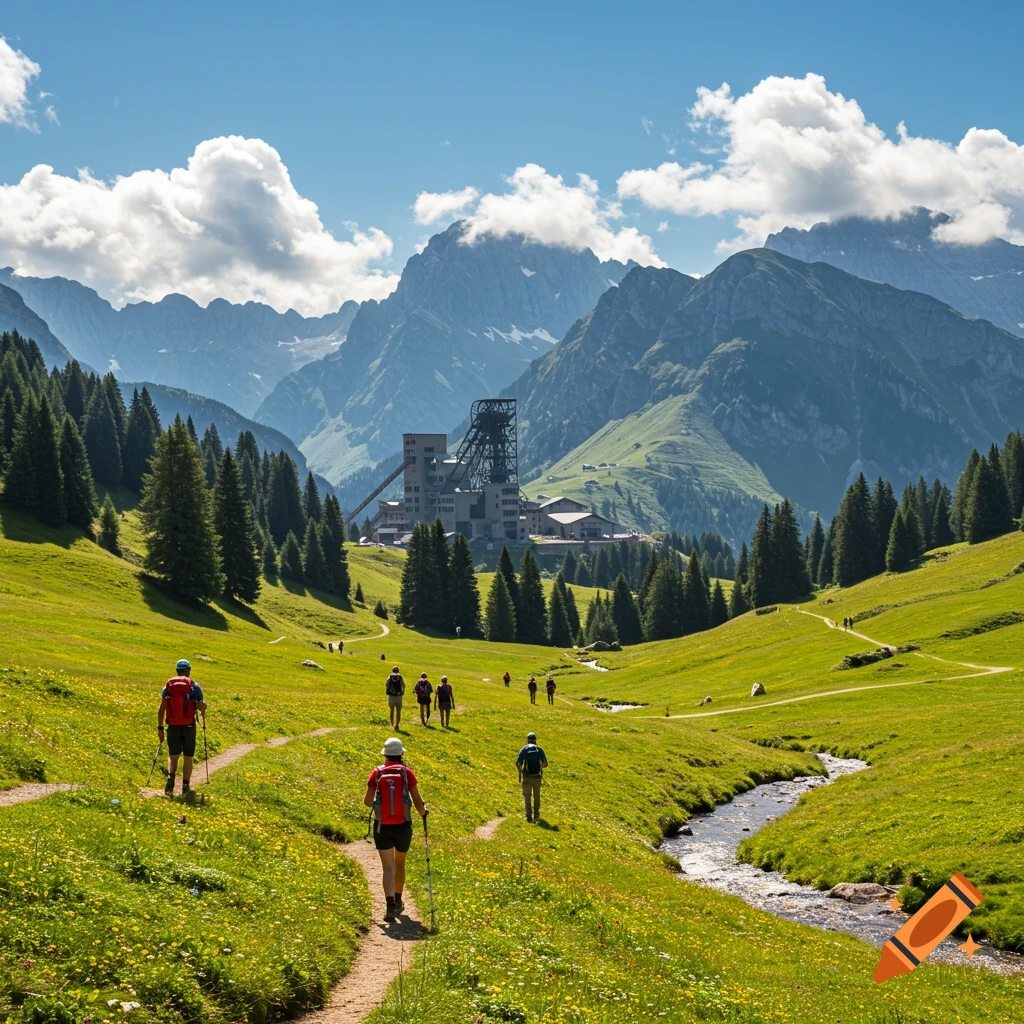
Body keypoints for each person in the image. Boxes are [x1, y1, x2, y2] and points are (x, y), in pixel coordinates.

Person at [365, 737, 427, 921]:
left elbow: (368, 802)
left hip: (382, 827)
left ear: (385, 755)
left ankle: (390, 906)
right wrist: (424, 813)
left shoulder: (376, 773)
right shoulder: (407, 773)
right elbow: (417, 801)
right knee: (400, 864)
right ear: (401, 754)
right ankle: (399, 900)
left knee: (388, 868)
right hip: (403, 826)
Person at [157, 660, 207, 796]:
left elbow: (162, 708)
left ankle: (170, 778)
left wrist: (160, 727)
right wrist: (203, 708)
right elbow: (200, 706)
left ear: (177, 671)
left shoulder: (168, 687)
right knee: (188, 757)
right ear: (189, 671)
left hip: (172, 725)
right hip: (189, 726)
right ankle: (185, 786)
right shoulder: (194, 687)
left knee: (173, 756)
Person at [516, 731, 548, 823]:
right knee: (536, 796)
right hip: (537, 777)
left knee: (527, 796)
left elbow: (518, 762)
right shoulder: (539, 750)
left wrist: (521, 771)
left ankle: (529, 816)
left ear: (527, 740)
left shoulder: (524, 749)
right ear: (535, 740)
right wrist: (539, 766)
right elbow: (545, 764)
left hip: (526, 776)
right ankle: (536, 814)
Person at [386, 665, 405, 729]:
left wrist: (389, 691)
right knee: (398, 710)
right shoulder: (400, 677)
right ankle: (397, 724)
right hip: (399, 696)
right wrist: (402, 692)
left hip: (391, 695)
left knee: (392, 710)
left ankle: (392, 723)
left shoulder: (390, 676)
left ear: (392, 670)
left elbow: (387, 684)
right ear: (398, 671)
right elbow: (403, 685)